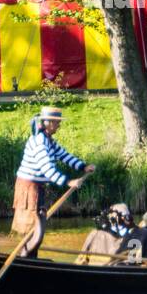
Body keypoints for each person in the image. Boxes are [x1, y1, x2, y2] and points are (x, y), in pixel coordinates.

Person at [12, 106, 94, 258]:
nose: (59, 125)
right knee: (31, 229)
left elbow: (64, 156)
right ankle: (25, 258)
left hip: (36, 188)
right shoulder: (39, 142)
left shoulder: (49, 140)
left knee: (37, 228)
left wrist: (83, 166)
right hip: (28, 189)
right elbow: (47, 169)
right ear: (48, 123)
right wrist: (68, 182)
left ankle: (30, 258)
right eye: (57, 122)